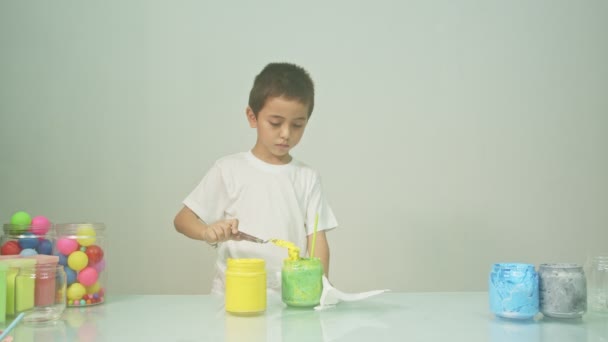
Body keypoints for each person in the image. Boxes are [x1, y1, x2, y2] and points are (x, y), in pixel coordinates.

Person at [173, 62, 338, 294]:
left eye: (297, 125)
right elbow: (182, 220)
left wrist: (322, 288)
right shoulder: (228, 169)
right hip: (233, 295)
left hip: (290, 296)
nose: (286, 134)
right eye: (275, 123)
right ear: (252, 117)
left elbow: (317, 240)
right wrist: (206, 231)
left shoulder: (307, 177)